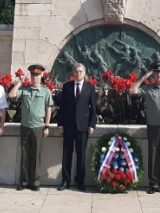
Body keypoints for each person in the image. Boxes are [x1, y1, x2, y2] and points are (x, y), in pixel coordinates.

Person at [130, 61, 160, 195]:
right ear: (153, 75)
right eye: (156, 73)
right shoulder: (148, 89)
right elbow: (132, 90)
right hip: (153, 127)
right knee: (153, 156)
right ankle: (153, 184)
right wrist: (145, 76)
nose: (158, 75)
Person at [8, 64, 54, 191]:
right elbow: (12, 95)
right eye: (33, 75)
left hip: (38, 127)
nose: (35, 78)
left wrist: (47, 126)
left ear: (41, 76)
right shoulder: (24, 89)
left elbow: (49, 109)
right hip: (25, 127)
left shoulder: (46, 91)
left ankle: (34, 183)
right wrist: (19, 83)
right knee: (25, 155)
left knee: (35, 155)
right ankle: (23, 182)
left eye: (37, 75)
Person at [56, 63, 97, 191]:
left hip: (83, 127)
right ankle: (65, 181)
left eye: (80, 71)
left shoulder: (90, 87)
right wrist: (60, 124)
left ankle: (80, 181)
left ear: (84, 73)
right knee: (67, 154)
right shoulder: (67, 86)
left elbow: (93, 109)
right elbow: (61, 107)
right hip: (68, 126)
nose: (78, 73)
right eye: (76, 71)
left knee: (81, 155)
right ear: (73, 73)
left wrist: (92, 125)